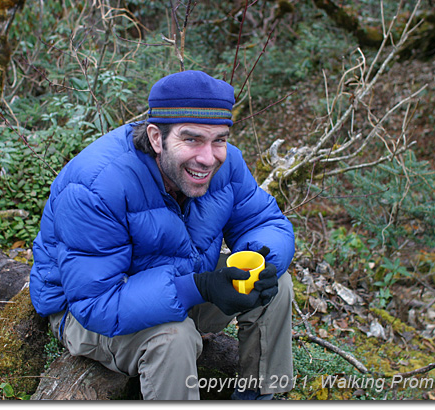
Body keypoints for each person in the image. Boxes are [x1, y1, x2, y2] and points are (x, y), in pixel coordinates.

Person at [30, 70, 295, 400]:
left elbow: (263, 221)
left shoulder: (225, 164)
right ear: (156, 137)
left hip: (178, 284)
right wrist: (198, 288)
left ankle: (261, 396)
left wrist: (260, 261)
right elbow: (96, 303)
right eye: (192, 139)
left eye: (219, 139)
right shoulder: (96, 187)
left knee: (275, 283)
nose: (208, 157)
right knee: (174, 337)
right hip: (83, 313)